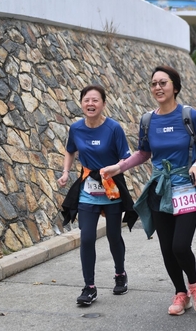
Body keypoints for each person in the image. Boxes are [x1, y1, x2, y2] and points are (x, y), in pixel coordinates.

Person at [101, 65, 196, 316]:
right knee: (166, 248)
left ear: (175, 87)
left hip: (186, 187)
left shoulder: (190, 116)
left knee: (180, 246)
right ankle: (180, 294)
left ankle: (195, 285)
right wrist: (117, 168)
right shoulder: (147, 120)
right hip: (159, 189)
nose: (158, 87)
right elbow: (143, 153)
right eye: (154, 83)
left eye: (163, 83)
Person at [58, 84, 138, 306]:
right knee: (86, 237)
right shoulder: (76, 128)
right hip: (88, 189)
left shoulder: (113, 128)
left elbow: (125, 157)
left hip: (111, 188)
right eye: (86, 100)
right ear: (81, 103)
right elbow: (70, 150)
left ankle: (120, 273)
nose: (90, 104)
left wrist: (115, 168)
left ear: (103, 104)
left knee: (113, 235)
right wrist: (65, 172)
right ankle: (89, 287)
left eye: (95, 100)